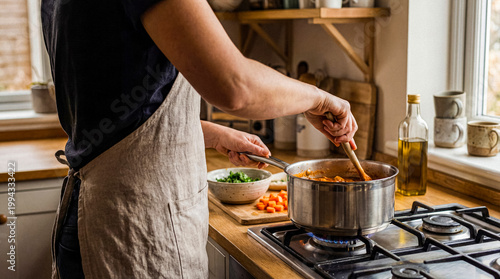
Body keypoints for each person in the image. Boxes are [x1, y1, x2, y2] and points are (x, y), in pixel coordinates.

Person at [41, 0, 358, 278]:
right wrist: (319, 99)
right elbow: (236, 85)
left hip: (100, 217)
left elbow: (118, 114)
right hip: (131, 232)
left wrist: (214, 134)